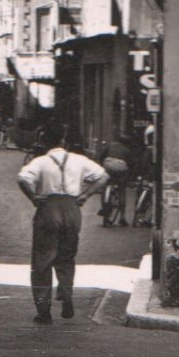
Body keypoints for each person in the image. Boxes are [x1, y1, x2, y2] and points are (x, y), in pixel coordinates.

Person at [17, 135, 109, 323]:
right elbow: (103, 176)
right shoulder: (79, 160)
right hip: (72, 208)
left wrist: (33, 198)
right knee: (67, 256)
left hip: (49, 209)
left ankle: (44, 311)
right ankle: (66, 295)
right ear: (64, 143)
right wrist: (85, 196)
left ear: (45, 146)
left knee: (42, 261)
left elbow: (22, 179)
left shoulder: (40, 161)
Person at [97, 136, 136, 226]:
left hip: (108, 166)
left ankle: (104, 207)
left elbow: (101, 157)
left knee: (105, 185)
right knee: (122, 190)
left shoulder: (109, 147)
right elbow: (131, 163)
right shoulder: (126, 150)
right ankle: (122, 217)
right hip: (121, 169)